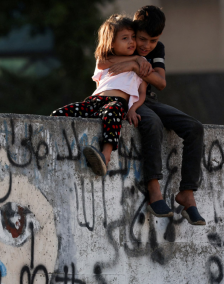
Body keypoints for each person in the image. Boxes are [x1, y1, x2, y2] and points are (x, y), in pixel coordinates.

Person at [97, 6, 205, 225]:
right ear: (134, 32)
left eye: (153, 41)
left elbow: (161, 82)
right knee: (153, 123)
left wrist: (136, 65)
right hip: (127, 99)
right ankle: (154, 191)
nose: (146, 46)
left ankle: (187, 194)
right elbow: (103, 64)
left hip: (148, 99)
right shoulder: (124, 41)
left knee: (195, 127)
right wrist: (134, 61)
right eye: (142, 39)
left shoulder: (156, 49)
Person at [51, 14, 147, 177]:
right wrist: (135, 58)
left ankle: (105, 156)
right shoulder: (106, 61)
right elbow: (101, 61)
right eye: (125, 38)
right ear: (111, 43)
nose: (131, 42)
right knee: (58, 113)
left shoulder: (140, 66)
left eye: (132, 37)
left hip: (116, 103)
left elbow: (142, 92)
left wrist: (133, 109)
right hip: (94, 102)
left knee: (113, 112)